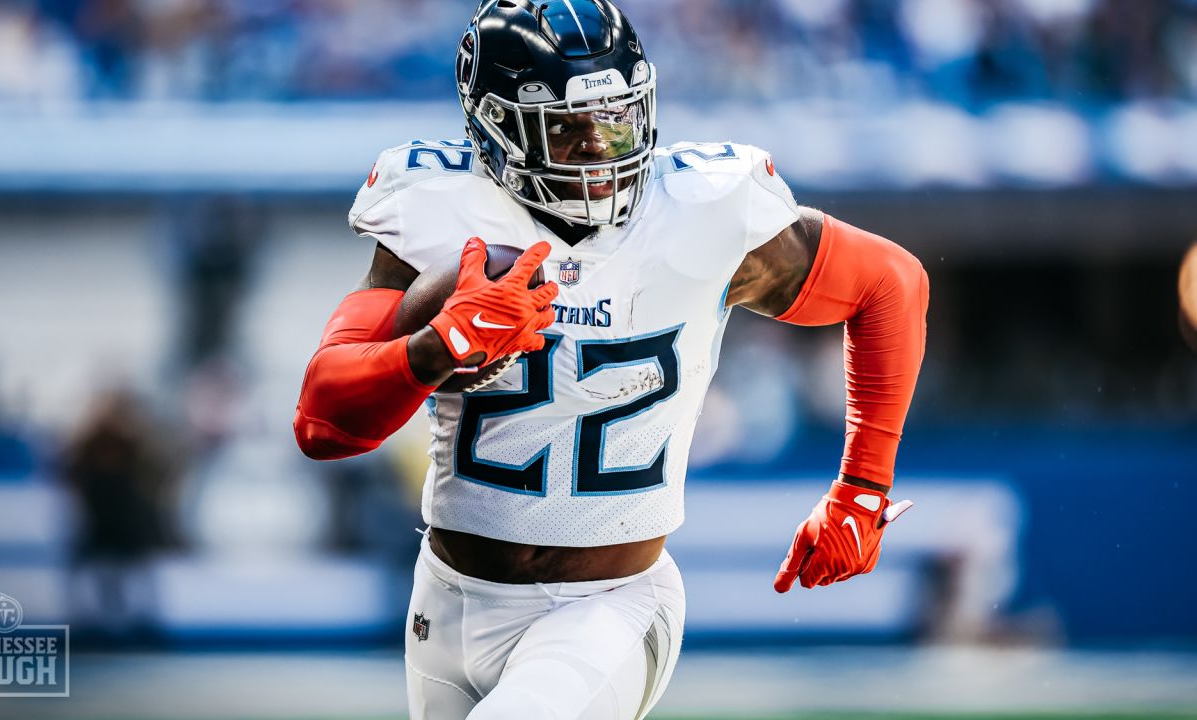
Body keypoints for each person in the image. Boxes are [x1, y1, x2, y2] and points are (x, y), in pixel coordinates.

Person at [293, 1, 927, 717]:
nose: (600, 146)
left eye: (615, 117)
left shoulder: (702, 207)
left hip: (608, 605)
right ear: (495, 130)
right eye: (565, 127)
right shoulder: (443, 210)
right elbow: (322, 422)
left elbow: (890, 283)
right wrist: (433, 351)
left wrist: (863, 487)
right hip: (445, 600)